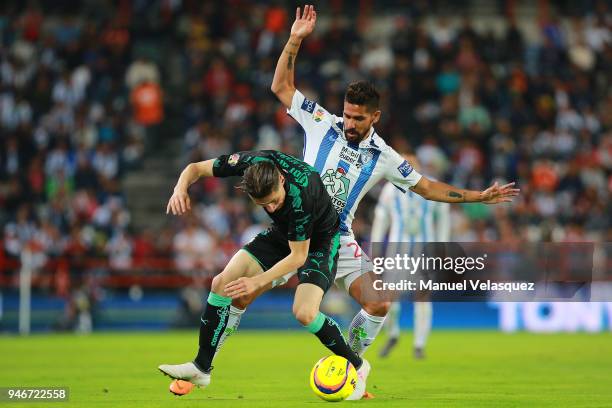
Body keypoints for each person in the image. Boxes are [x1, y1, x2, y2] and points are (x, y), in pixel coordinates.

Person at [217, 4, 519, 375]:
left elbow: (426, 187)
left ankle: (348, 365)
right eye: (347, 114)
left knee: (379, 302)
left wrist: (478, 196)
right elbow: (281, 87)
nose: (349, 122)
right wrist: (294, 40)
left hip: (335, 237)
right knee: (241, 291)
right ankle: (206, 364)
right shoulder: (321, 122)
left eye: (358, 118)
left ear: (375, 116)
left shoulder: (384, 156)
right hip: (292, 228)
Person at [158, 150, 370, 400]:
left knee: (304, 313)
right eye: (263, 204)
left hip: (320, 242)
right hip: (282, 233)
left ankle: (357, 365)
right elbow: (194, 168)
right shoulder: (251, 165)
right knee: (221, 283)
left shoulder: (301, 194)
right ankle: (201, 367)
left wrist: (257, 281)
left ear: (281, 179)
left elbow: (298, 257)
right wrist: (180, 188)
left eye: (274, 201)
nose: (270, 207)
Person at [372, 154, 451, 359]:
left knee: (422, 297)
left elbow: (443, 216)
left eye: (411, 164)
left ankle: (419, 345)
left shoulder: (430, 186)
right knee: (389, 297)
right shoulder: (391, 188)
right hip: (397, 251)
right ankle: (393, 334)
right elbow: (381, 219)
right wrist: (376, 248)